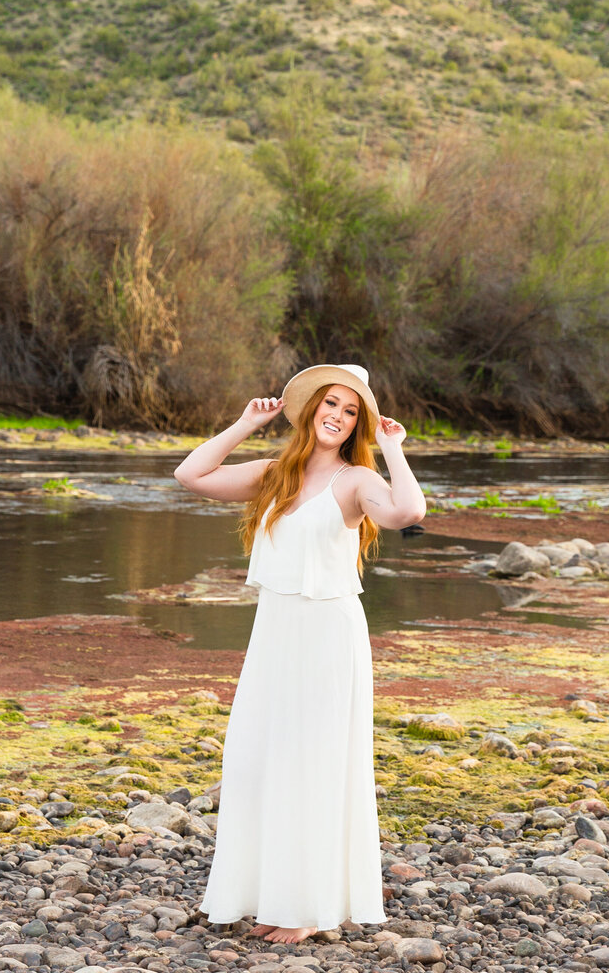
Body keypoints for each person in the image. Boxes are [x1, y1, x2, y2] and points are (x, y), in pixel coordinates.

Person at [174, 363, 426, 945]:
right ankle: (273, 896)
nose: (337, 416)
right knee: (258, 762)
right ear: (311, 409)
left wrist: (392, 448)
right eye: (329, 404)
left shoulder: (358, 481)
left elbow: (409, 513)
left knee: (312, 764)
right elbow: (190, 473)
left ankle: (309, 908)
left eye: (350, 410)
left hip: (327, 634)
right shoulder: (274, 475)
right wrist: (245, 422)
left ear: (358, 422)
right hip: (275, 631)